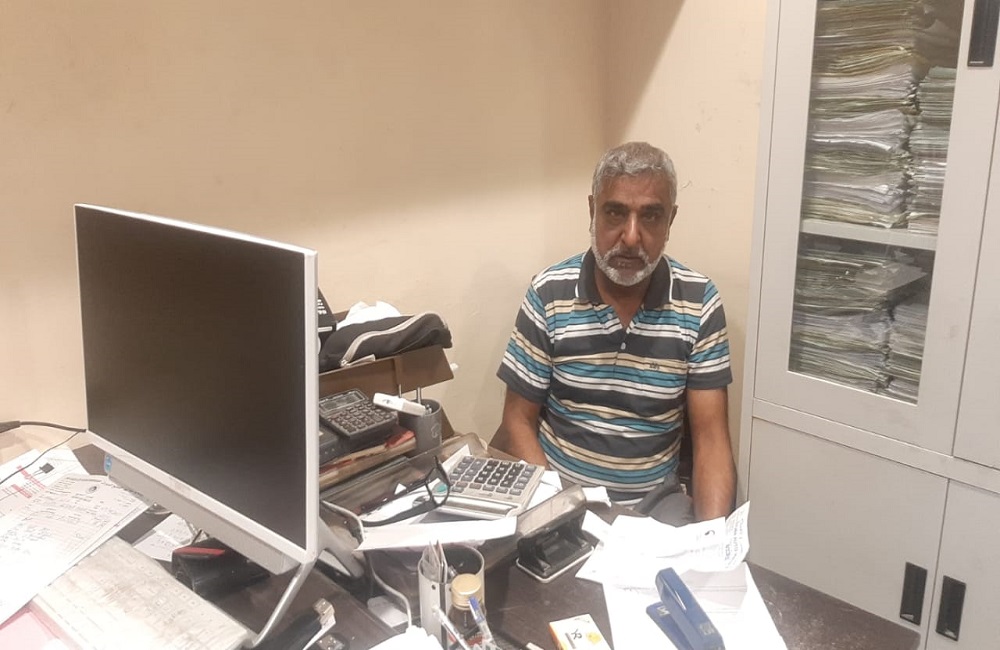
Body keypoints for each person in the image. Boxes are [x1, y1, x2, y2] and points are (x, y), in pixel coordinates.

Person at [493, 141, 735, 524]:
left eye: (651, 216)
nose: (631, 237)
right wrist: (560, 512)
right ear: (592, 211)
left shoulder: (699, 301)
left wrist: (710, 541)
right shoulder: (549, 293)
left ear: (671, 220)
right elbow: (517, 421)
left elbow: (711, 441)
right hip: (561, 495)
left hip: (654, 506)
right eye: (615, 213)